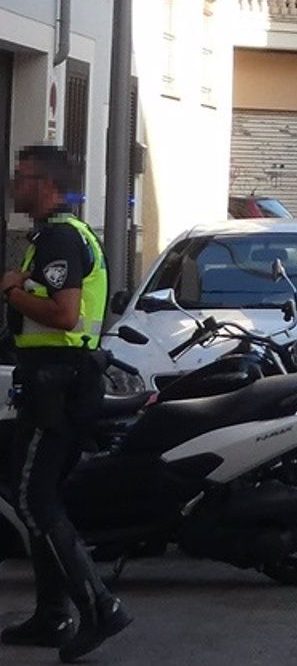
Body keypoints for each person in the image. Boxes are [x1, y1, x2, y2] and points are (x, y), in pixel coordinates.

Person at [0, 146, 131, 658]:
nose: (15, 184)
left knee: (34, 501)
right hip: (61, 383)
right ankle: (51, 615)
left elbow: (64, 315)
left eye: (22, 176)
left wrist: (11, 290)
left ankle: (100, 607)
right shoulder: (58, 236)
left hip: (57, 386)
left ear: (47, 185)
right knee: (39, 497)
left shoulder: (59, 238)